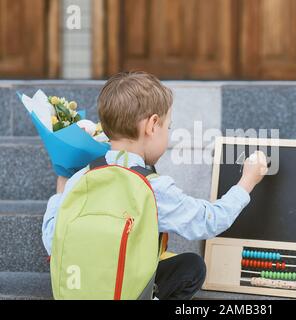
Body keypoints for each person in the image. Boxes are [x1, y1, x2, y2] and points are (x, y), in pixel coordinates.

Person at [42, 71, 268, 299]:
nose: (168, 135)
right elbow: (209, 221)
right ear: (152, 125)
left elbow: (52, 238)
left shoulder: (81, 177)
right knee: (192, 267)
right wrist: (247, 181)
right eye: (168, 127)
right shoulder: (152, 188)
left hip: (79, 289)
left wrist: (60, 192)